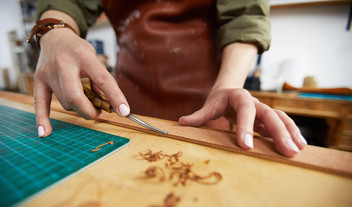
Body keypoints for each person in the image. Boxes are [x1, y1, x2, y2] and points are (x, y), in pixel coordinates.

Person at [31, 0, 307, 157]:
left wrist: (228, 87)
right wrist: (55, 32)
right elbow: (67, 4)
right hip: (126, 112)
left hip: (209, 109)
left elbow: (245, 16)